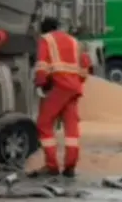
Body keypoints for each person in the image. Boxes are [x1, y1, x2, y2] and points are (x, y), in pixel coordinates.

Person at [31, 16, 92, 179]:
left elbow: (42, 64)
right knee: (71, 127)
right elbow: (85, 63)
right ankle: (70, 166)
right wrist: (78, 81)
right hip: (74, 88)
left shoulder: (46, 40)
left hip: (58, 86)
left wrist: (41, 84)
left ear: (44, 29)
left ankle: (51, 166)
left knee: (44, 123)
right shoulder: (74, 41)